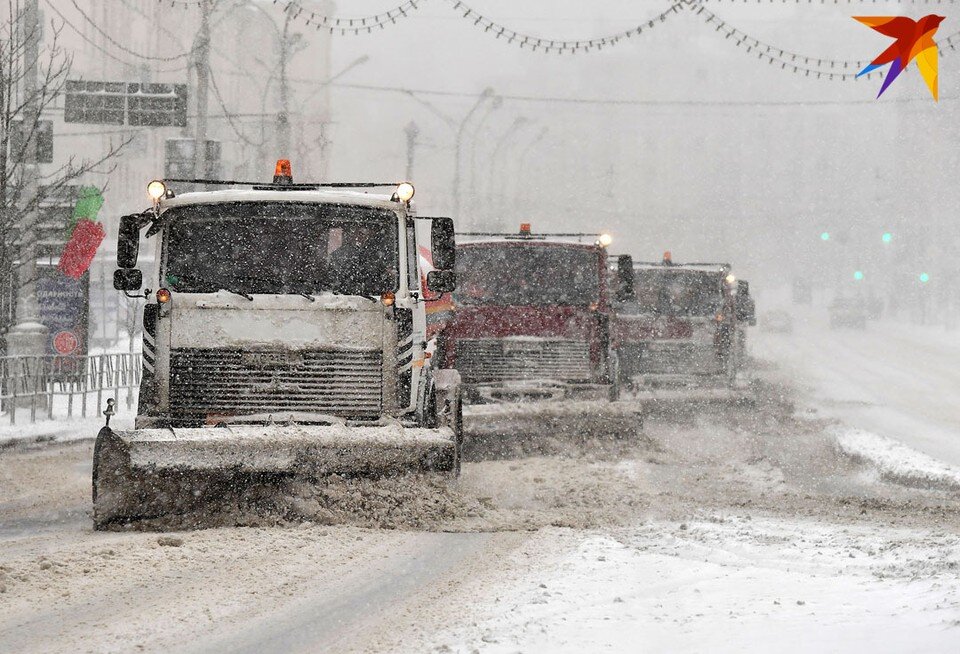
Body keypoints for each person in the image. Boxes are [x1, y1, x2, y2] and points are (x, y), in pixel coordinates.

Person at [327, 223, 394, 294]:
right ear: (352, 234)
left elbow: (380, 272)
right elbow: (334, 277)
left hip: (370, 295)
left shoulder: (374, 254)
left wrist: (387, 272)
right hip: (343, 296)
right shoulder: (339, 254)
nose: (361, 237)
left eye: (366, 235)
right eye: (360, 233)